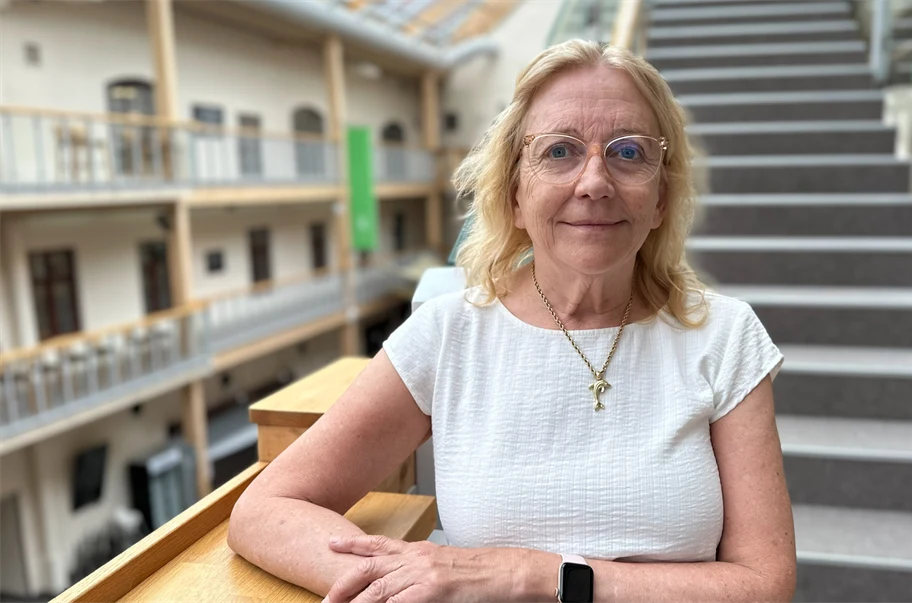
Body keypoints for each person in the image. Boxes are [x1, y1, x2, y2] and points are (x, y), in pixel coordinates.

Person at [228, 39, 796, 603]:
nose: (594, 182)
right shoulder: (451, 336)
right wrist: (398, 581)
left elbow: (765, 583)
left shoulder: (724, 337)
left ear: (662, 197)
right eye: (559, 151)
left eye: (627, 152)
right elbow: (264, 511)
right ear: (516, 194)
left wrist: (534, 576)